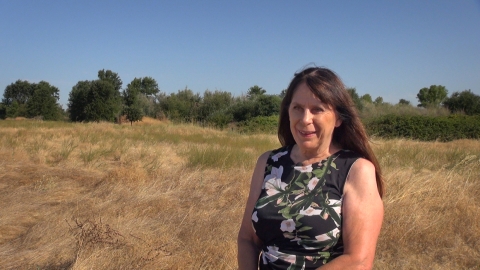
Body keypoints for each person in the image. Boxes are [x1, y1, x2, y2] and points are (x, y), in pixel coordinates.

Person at [237, 67, 385, 270]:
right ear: (288, 112)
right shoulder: (268, 163)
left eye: (318, 109)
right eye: (297, 108)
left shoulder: (356, 170)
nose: (305, 119)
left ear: (339, 118)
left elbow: (358, 260)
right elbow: (248, 239)